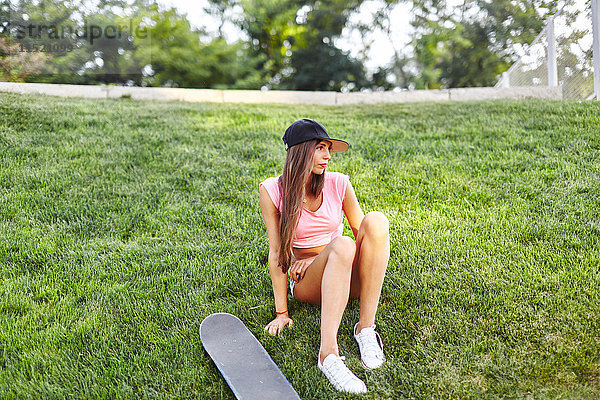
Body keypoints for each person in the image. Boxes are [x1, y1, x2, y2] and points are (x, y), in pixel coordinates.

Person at [258, 118, 390, 394]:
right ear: (300, 150)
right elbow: (275, 253)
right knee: (341, 245)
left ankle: (365, 329)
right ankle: (327, 354)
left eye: (328, 148)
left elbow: (361, 234)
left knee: (375, 221)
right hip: (308, 281)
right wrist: (282, 312)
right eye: (320, 148)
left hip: (343, 273)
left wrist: (327, 254)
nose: (328, 156)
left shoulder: (339, 183)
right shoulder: (273, 191)